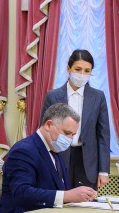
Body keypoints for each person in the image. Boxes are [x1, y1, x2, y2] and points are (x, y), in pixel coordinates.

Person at [41, 49, 111, 189]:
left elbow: (103, 135)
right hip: (59, 158)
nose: (82, 74)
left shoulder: (98, 97)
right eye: (78, 69)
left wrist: (103, 171)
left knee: (85, 202)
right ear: (69, 68)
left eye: (87, 71)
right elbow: (44, 133)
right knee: (60, 200)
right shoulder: (52, 96)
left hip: (88, 163)